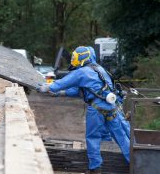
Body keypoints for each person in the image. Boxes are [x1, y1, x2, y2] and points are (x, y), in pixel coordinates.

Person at [37, 46, 130, 174]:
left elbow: (61, 83)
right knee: (122, 138)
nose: (73, 60)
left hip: (96, 110)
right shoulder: (99, 69)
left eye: (75, 58)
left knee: (93, 138)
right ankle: (138, 164)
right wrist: (61, 93)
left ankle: (95, 169)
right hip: (111, 108)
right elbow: (82, 90)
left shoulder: (81, 72)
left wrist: (47, 87)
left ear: (83, 57)